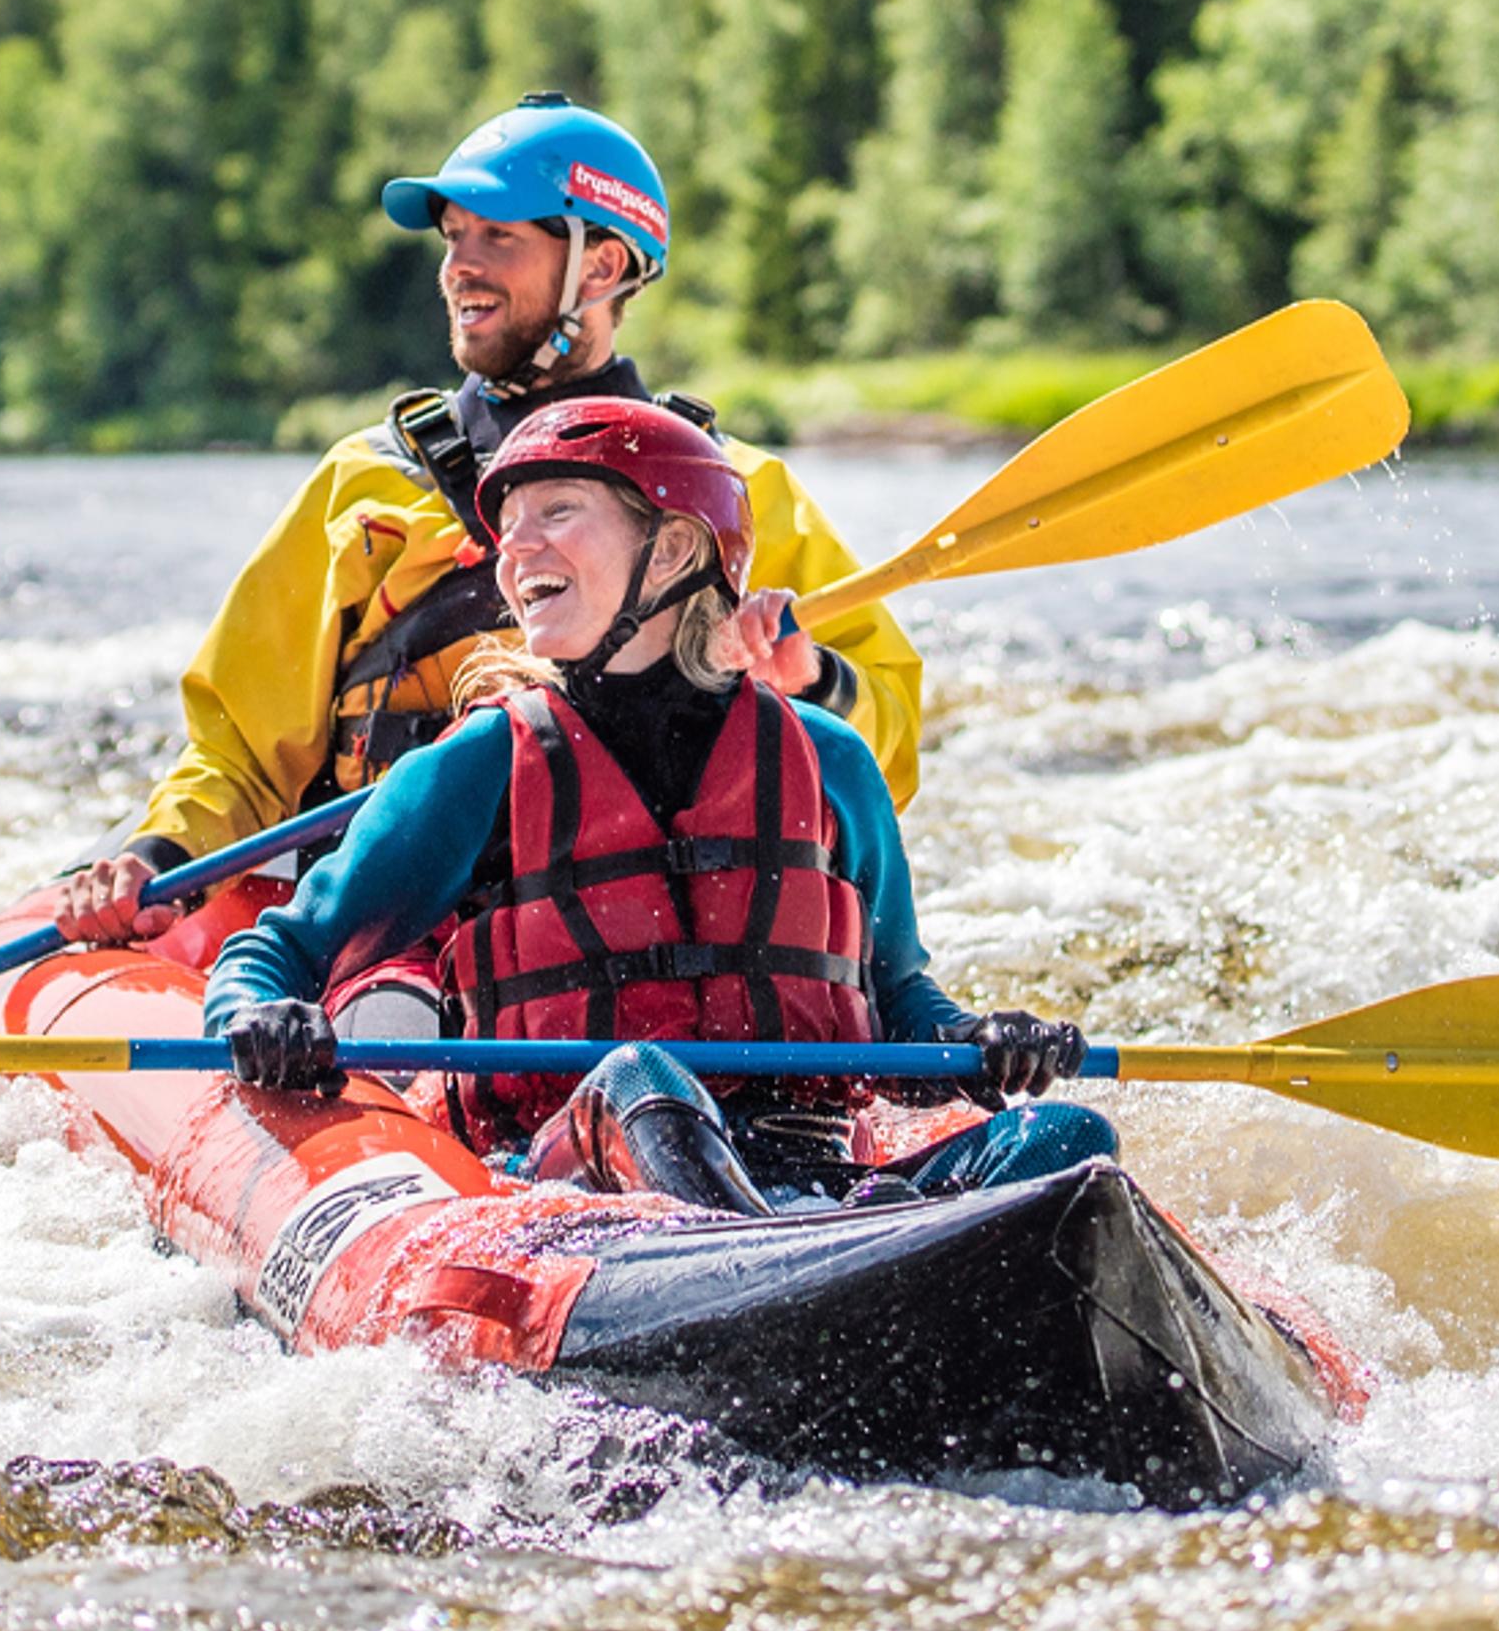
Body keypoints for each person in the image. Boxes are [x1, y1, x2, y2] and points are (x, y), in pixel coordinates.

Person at [57, 95, 924, 963]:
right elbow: (242, 751)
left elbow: (881, 755)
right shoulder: (365, 488)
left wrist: (810, 678)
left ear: (599, 266)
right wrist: (155, 858)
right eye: (453, 237)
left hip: (659, 942)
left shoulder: (734, 494)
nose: (458, 267)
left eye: (497, 237)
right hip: (401, 945)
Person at [200, 399, 1113, 1212]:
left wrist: (979, 1042)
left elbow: (902, 997)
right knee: (645, 1080)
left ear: (675, 548)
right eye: (510, 526)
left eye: (558, 514)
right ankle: (777, 1273)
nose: (516, 550)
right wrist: (257, 1014)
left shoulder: (828, 759)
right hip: (576, 1171)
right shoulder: (483, 764)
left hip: (813, 1177)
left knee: (1067, 1143)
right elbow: (282, 951)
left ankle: (817, 1257)